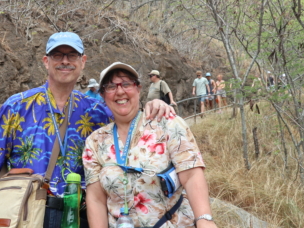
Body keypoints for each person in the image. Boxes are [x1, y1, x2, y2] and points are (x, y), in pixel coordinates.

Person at [0, 32, 175, 228]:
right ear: (46, 61)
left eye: (72, 55)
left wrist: (155, 105)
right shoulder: (17, 106)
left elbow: (130, 123)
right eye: (58, 55)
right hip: (26, 213)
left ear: (83, 61)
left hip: (80, 216)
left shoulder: (98, 111)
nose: (65, 61)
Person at [83, 62, 217, 228]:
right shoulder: (95, 142)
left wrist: (204, 219)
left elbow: (191, 175)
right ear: (103, 94)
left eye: (126, 83)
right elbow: (96, 199)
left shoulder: (167, 123)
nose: (119, 91)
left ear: (138, 88)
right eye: (111, 86)